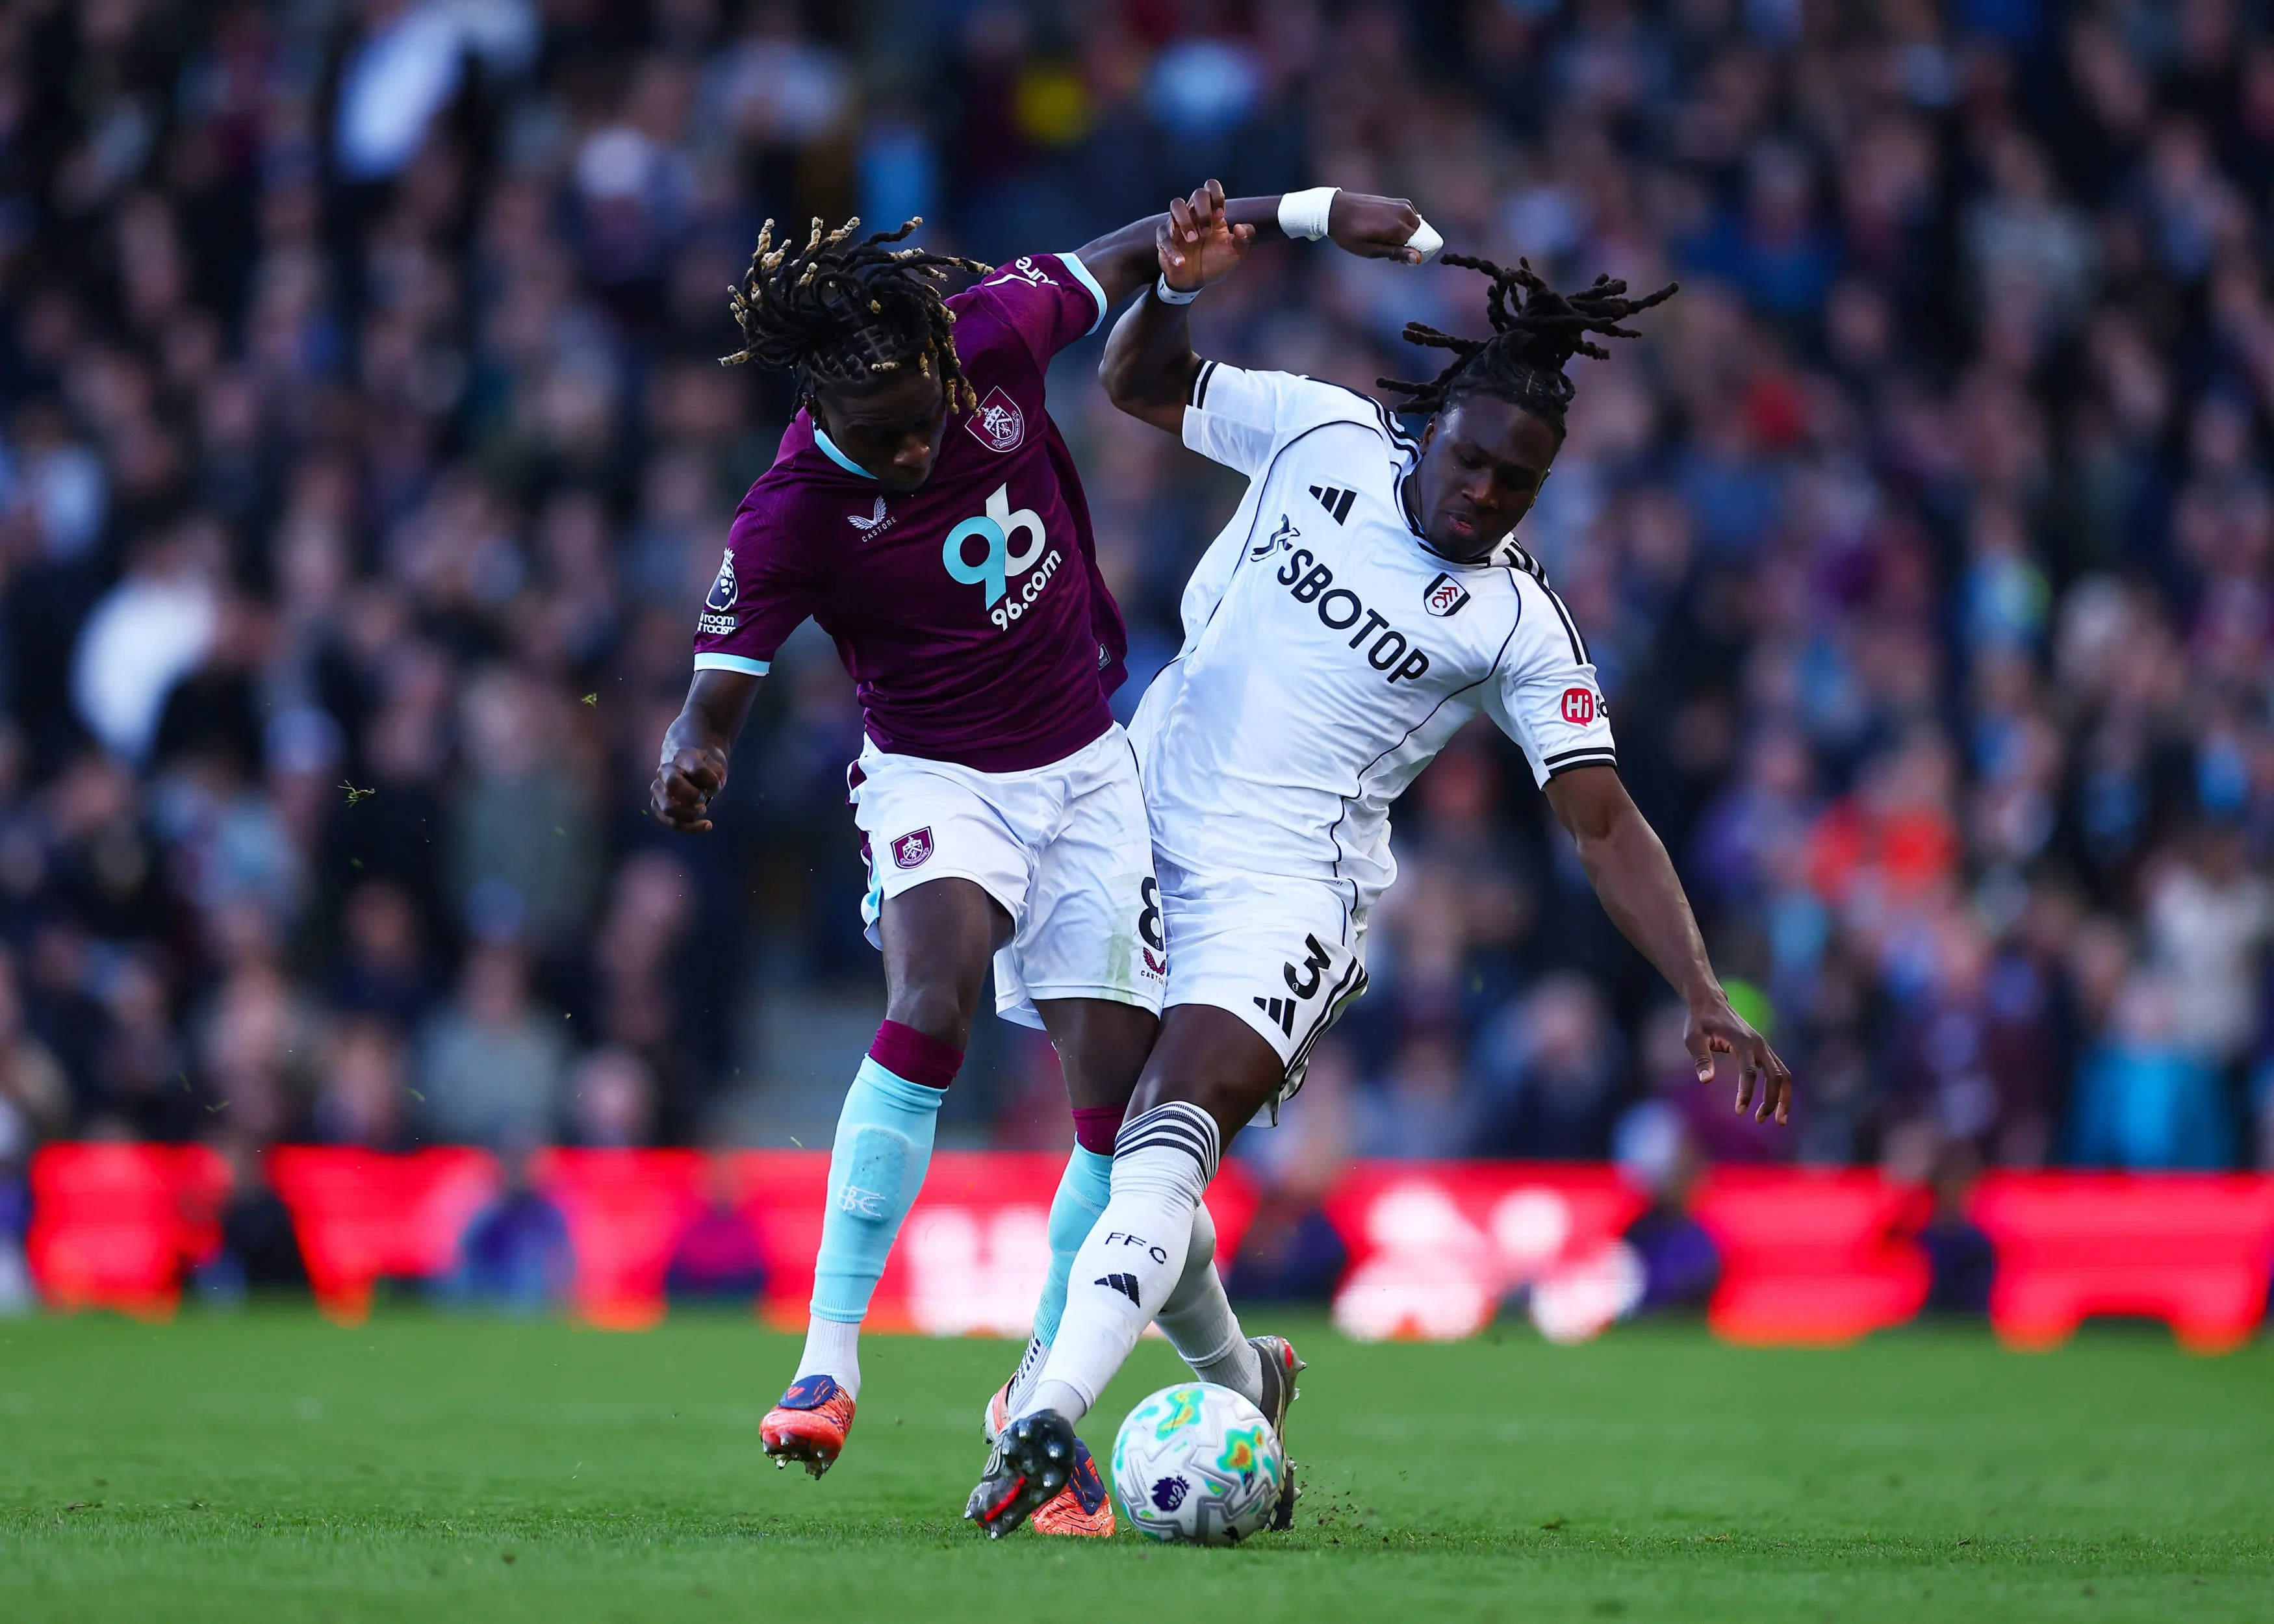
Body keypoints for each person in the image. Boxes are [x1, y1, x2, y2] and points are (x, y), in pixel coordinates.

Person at [967, 183, 1793, 1535]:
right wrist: (1178, 281)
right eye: (1468, 459)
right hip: (1131, 823)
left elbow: (1601, 818)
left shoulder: (1519, 621)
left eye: (1513, 482)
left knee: (1164, 1142)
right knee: (1118, 1144)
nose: (1480, 493)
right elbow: (1138, 380)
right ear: (1427, 424)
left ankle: (1047, 1417)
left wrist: (1701, 989)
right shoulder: (1320, 434)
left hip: (1292, 894)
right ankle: (1241, 1377)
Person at [646, 191, 1425, 1529]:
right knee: (930, 999)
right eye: (869, 436)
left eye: (917, 424)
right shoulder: (787, 512)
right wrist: (692, 752)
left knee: (1122, 1125)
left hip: (1087, 771)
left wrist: (1301, 213)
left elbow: (1138, 247)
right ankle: (827, 1363)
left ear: (947, 372)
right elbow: (713, 696)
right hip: (938, 780)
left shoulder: (988, 333)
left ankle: (1043, 1409)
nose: (900, 453)